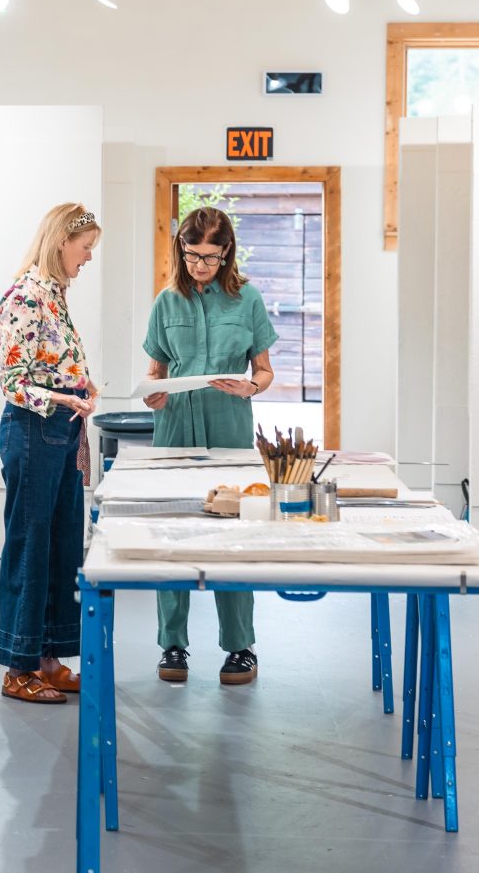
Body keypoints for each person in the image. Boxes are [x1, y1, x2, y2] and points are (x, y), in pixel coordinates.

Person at [141, 206, 278, 686]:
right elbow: (156, 375)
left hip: (228, 430)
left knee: (232, 538)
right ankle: (172, 644)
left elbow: (263, 370)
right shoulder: (166, 302)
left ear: (227, 254)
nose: (200, 266)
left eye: (211, 258)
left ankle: (240, 646)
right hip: (175, 429)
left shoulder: (248, 301)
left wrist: (252, 387)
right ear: (181, 250)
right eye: (193, 255)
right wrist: (153, 394)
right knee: (171, 534)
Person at [0, 203, 100, 704]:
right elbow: (14, 383)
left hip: (59, 431)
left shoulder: (55, 297)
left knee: (60, 546)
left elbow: (52, 365)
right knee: (31, 548)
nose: (88, 259)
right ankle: (18, 667)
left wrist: (81, 382)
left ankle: (48, 659)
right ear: (62, 242)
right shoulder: (25, 297)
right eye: (86, 249)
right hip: (33, 432)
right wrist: (63, 396)